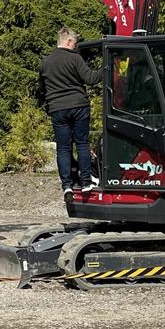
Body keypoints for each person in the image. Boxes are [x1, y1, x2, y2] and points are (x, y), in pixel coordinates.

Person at [39, 26, 101, 202]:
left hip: (57, 109)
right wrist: (107, 68)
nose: (76, 46)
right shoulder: (75, 59)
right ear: (68, 41)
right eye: (75, 43)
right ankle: (86, 182)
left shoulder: (46, 62)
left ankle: (67, 186)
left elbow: (42, 88)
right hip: (79, 105)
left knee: (63, 148)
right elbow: (91, 79)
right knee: (81, 144)